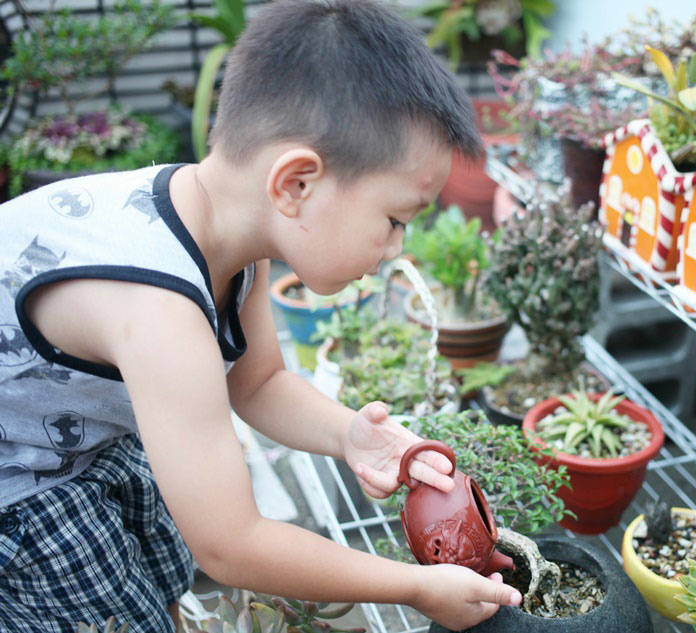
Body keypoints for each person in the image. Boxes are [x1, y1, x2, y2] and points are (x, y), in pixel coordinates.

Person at [0, 1, 522, 631]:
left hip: (80, 435)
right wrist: (414, 586)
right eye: (393, 221)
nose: (396, 252)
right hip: (23, 490)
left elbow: (259, 382)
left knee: (156, 575)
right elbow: (230, 544)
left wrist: (348, 435)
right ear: (297, 183)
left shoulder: (228, 230)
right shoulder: (159, 312)